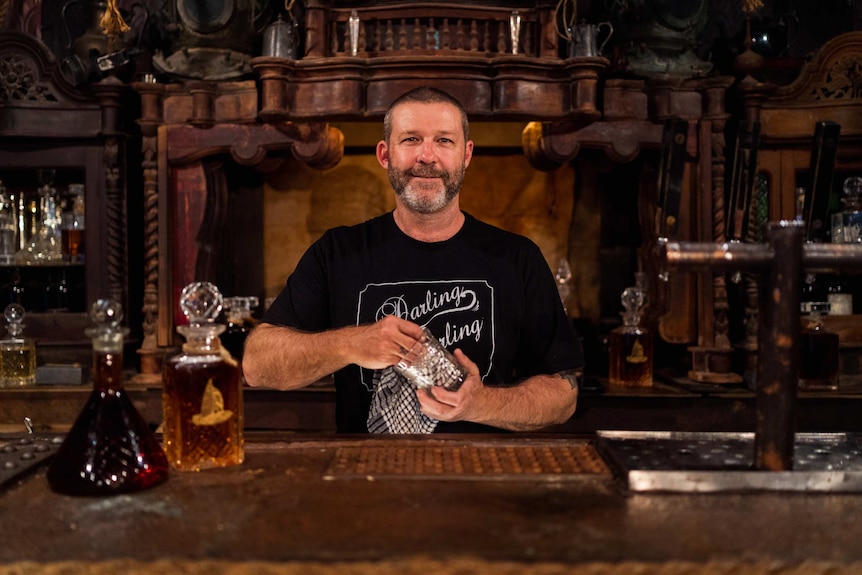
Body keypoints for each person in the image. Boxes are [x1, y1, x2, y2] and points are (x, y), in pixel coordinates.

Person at [242, 86, 584, 433]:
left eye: (444, 141)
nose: (427, 156)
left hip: (482, 476)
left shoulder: (517, 257)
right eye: (410, 140)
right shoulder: (337, 252)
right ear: (385, 154)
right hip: (367, 475)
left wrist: (481, 404)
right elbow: (257, 364)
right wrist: (350, 344)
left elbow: (563, 394)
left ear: (466, 155)